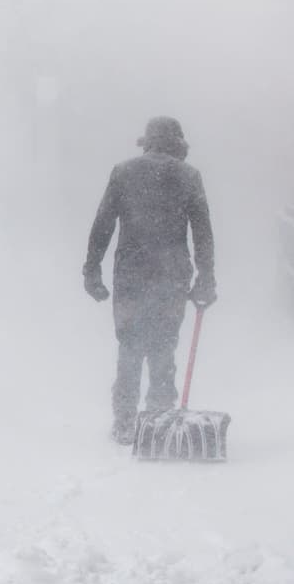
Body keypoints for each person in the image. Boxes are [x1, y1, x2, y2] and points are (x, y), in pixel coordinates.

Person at [82, 116, 216, 444]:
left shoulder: (123, 173)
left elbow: (103, 224)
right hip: (171, 277)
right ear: (178, 144)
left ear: (147, 143)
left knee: (129, 345)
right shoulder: (189, 176)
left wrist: (92, 269)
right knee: (162, 345)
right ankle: (158, 418)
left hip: (131, 274)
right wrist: (206, 277)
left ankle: (125, 422)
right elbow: (202, 233)